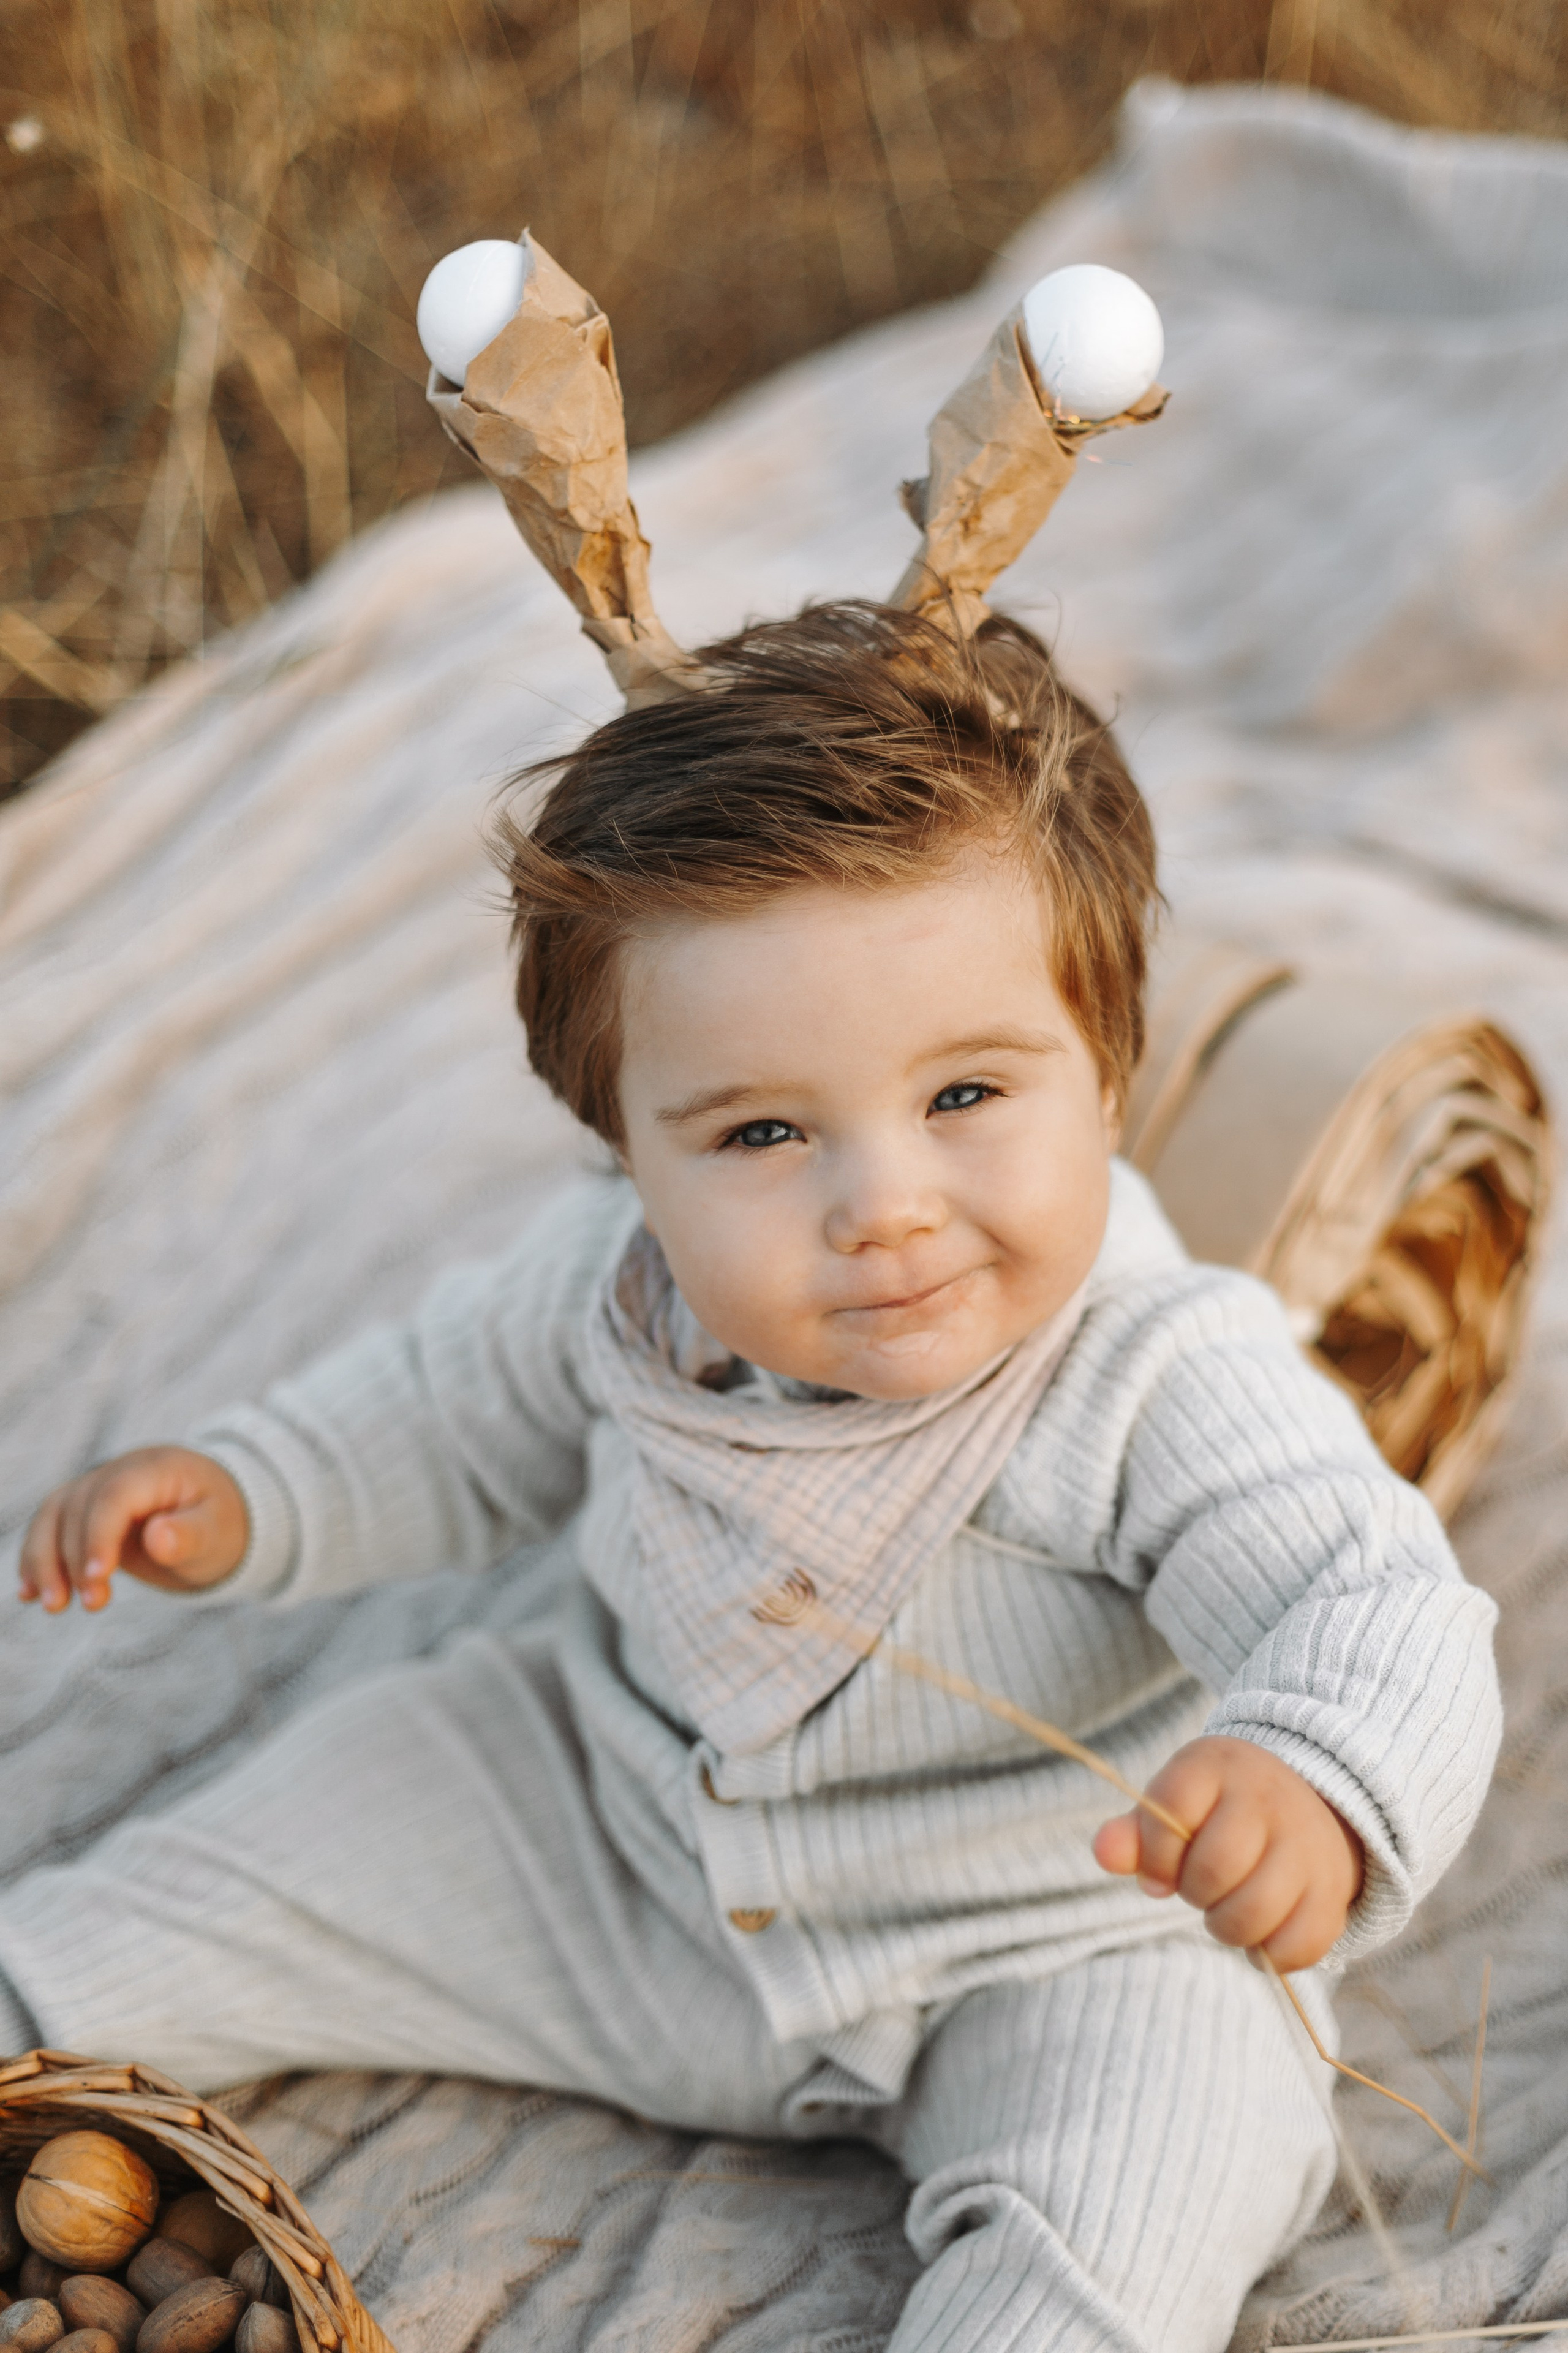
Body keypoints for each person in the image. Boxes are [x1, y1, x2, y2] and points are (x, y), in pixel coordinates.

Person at [7, 604, 1499, 2353]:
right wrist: (249, 1491)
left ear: (1108, 1069)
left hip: (1060, 1929)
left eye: (963, 1091)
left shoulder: (1160, 1369)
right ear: (623, 1142)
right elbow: (431, 1414)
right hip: (607, 1833)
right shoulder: (610, 1287)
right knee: (217, 1874)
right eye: (763, 1133)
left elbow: (1368, 1592)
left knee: (1168, 2152)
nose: (884, 1201)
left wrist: (1314, 1776)